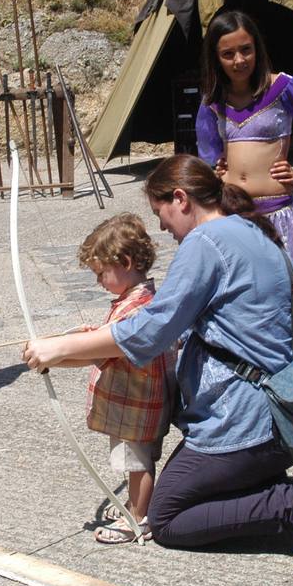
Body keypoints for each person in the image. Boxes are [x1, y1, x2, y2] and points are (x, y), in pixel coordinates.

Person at [22, 155, 293, 566]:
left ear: (180, 198)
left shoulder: (206, 243)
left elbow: (151, 330)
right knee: (186, 490)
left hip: (248, 423)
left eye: (160, 212)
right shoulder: (252, 230)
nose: (160, 226)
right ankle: (258, 480)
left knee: (167, 517)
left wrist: (58, 349)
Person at [196, 10, 293, 282]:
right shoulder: (213, 100)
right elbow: (208, 152)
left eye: (246, 50)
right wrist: (217, 170)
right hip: (231, 215)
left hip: (276, 213)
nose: (239, 60)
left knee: (284, 292)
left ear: (257, 48)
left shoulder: (282, 87)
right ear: (216, 58)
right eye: (228, 54)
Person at [67, 214, 174, 545]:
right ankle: (134, 504)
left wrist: (57, 355)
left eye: (101, 273)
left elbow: (110, 346)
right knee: (138, 460)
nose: (98, 281)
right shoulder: (138, 298)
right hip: (139, 400)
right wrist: (96, 334)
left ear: (125, 262)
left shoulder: (138, 306)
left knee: (137, 462)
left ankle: (137, 518)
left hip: (136, 403)